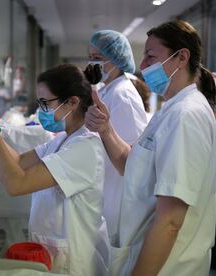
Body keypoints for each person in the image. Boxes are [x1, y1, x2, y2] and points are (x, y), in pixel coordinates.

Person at [85, 20, 216, 275]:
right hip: (145, 254)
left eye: (150, 55)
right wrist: (105, 128)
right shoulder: (169, 110)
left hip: (168, 266)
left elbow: (170, 221)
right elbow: (130, 163)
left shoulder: (185, 116)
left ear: (181, 57)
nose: (142, 65)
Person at [0, 64, 109, 275]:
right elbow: (20, 161)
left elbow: (17, 184)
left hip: (73, 262)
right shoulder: (64, 139)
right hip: (55, 252)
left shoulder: (85, 147)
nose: (41, 110)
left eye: (45, 103)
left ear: (72, 102)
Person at [84, 30, 148, 245]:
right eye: (90, 57)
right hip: (106, 186)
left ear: (115, 60)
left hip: (117, 193)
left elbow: (133, 156)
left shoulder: (123, 95)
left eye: (97, 58)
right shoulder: (107, 90)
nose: (92, 64)